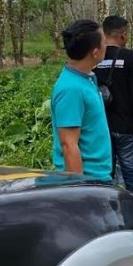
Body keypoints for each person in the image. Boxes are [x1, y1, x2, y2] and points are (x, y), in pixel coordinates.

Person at [93, 16, 133, 202]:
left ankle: (108, 213)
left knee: (105, 176)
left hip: (102, 128)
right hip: (127, 127)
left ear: (104, 33)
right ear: (123, 34)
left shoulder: (94, 58)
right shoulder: (131, 58)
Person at [51, 19, 112, 182]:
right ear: (95, 52)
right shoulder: (71, 89)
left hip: (98, 177)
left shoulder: (86, 79)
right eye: (104, 42)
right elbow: (69, 145)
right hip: (88, 181)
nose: (106, 46)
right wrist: (79, 190)